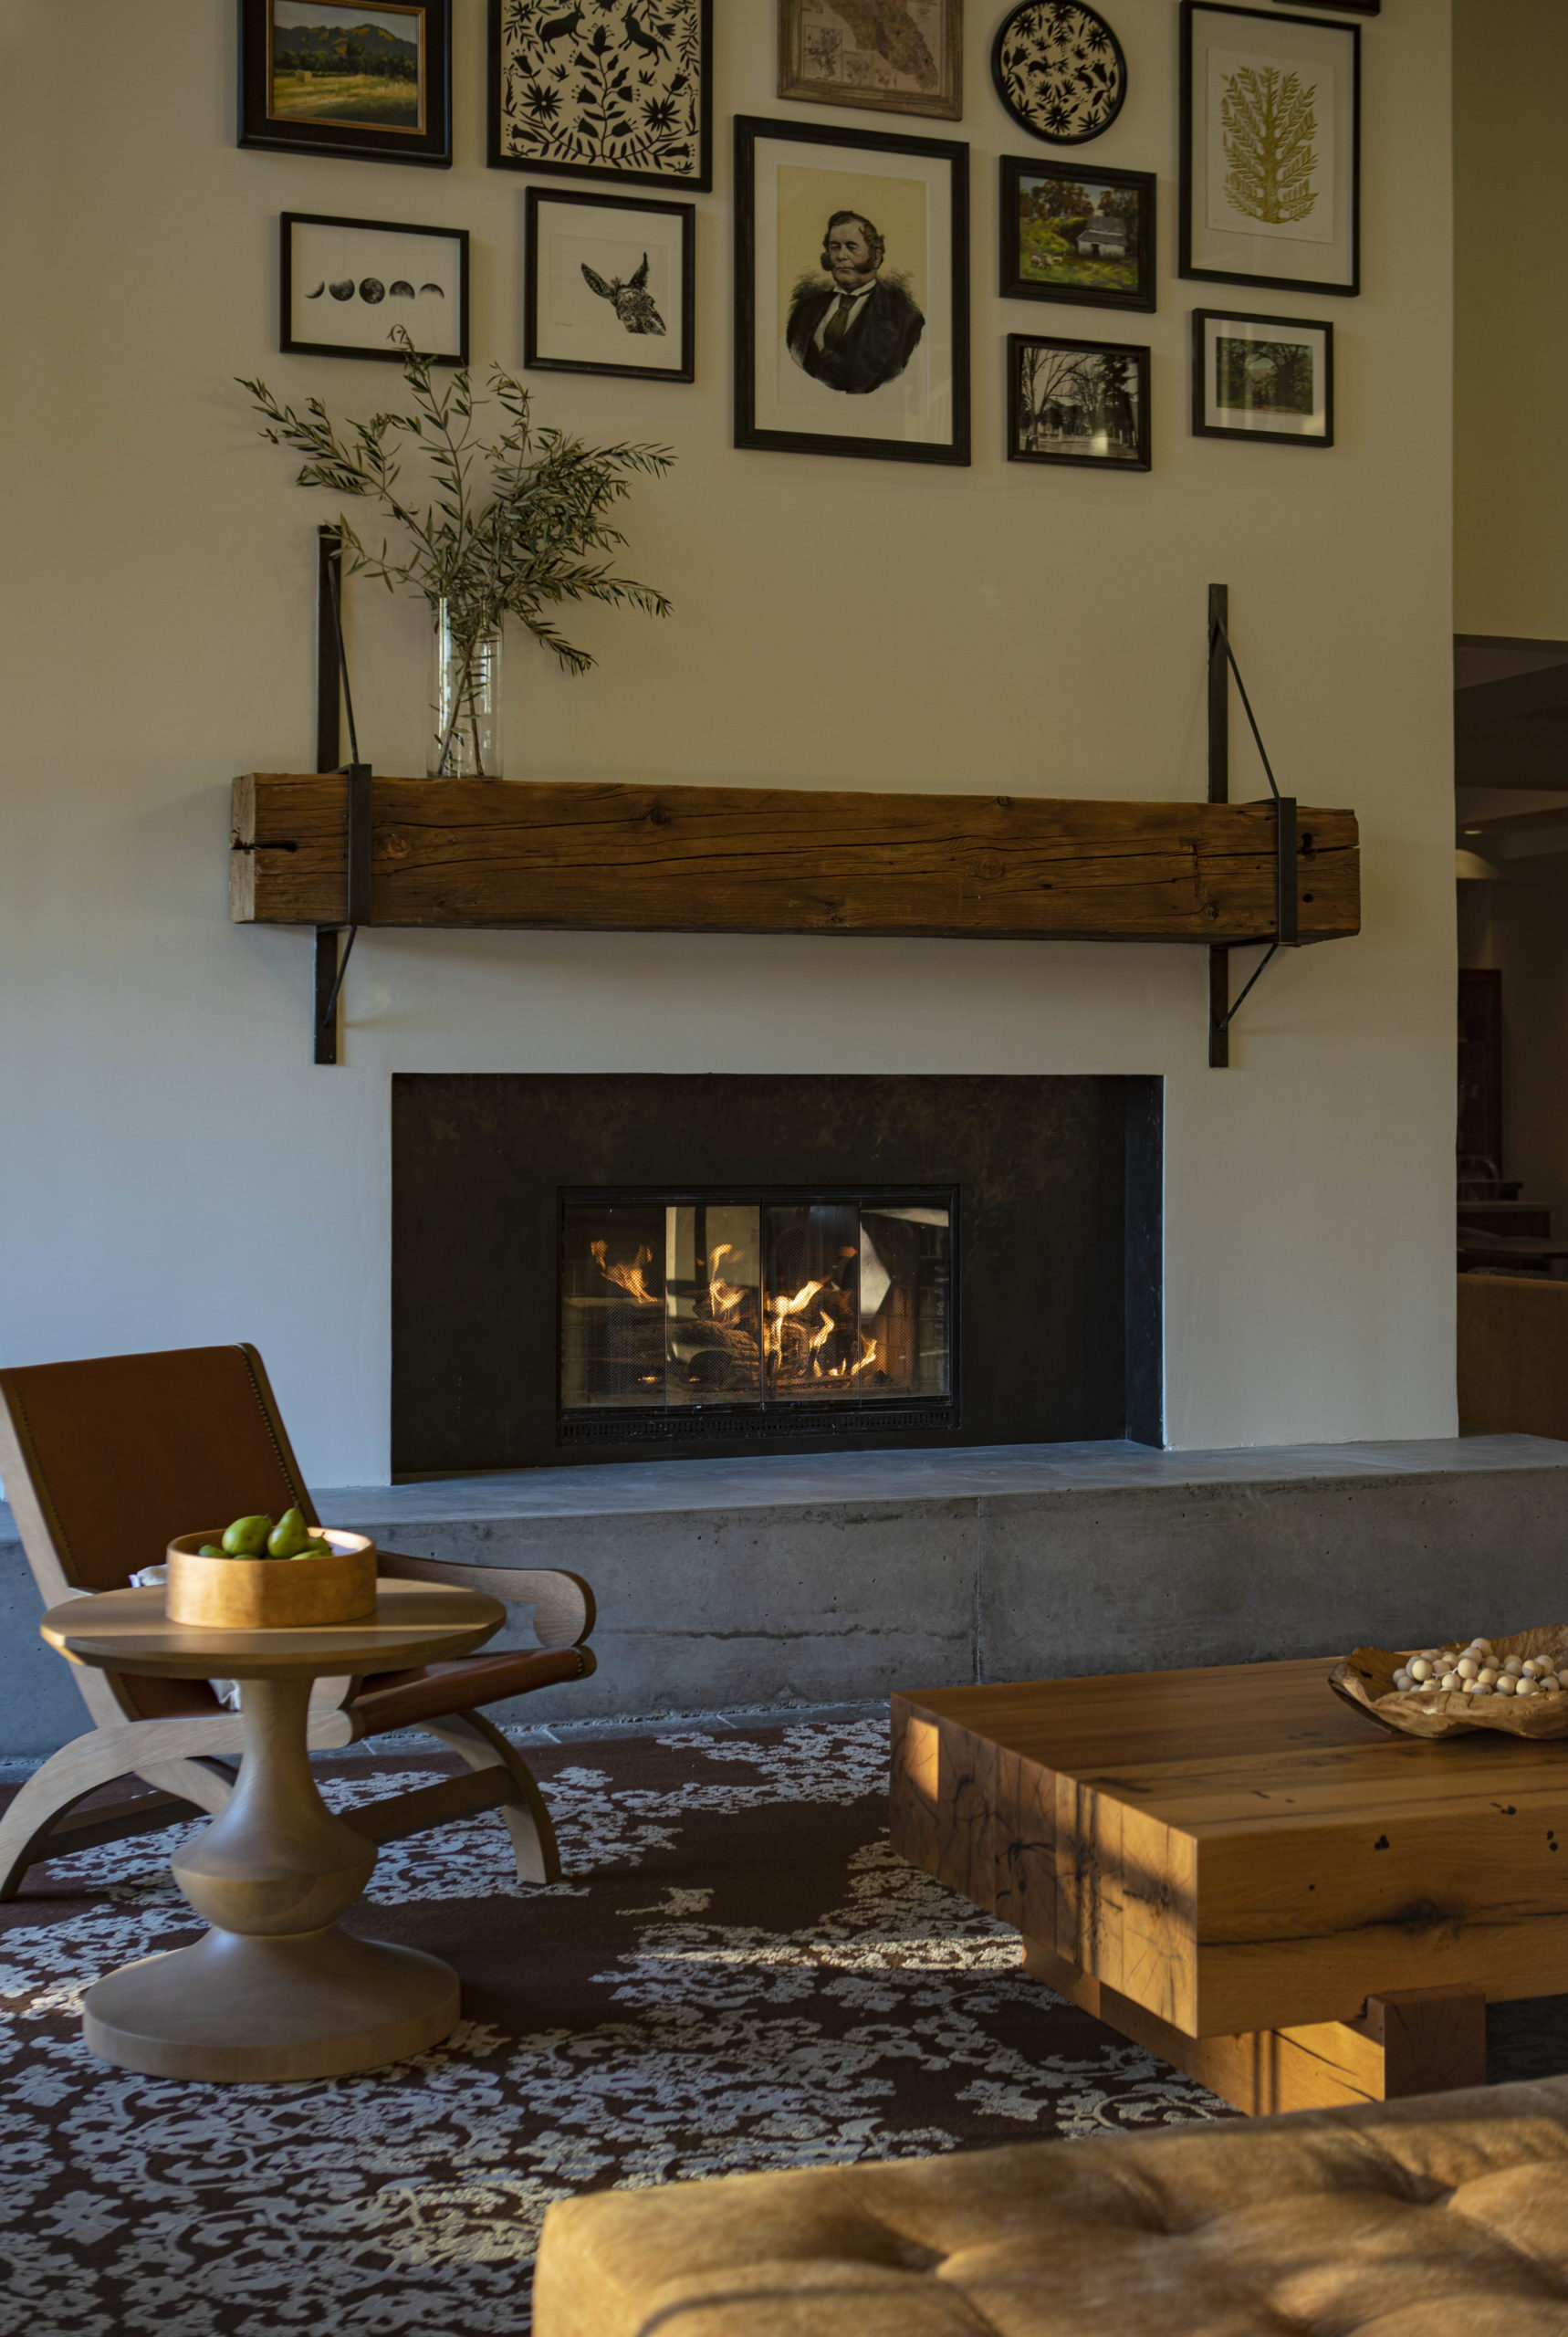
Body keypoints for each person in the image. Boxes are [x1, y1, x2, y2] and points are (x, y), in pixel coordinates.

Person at [786, 210, 924, 395]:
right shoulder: (805, 309)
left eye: (851, 247)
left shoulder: (906, 319)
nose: (841, 255)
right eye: (835, 247)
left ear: (875, 256)